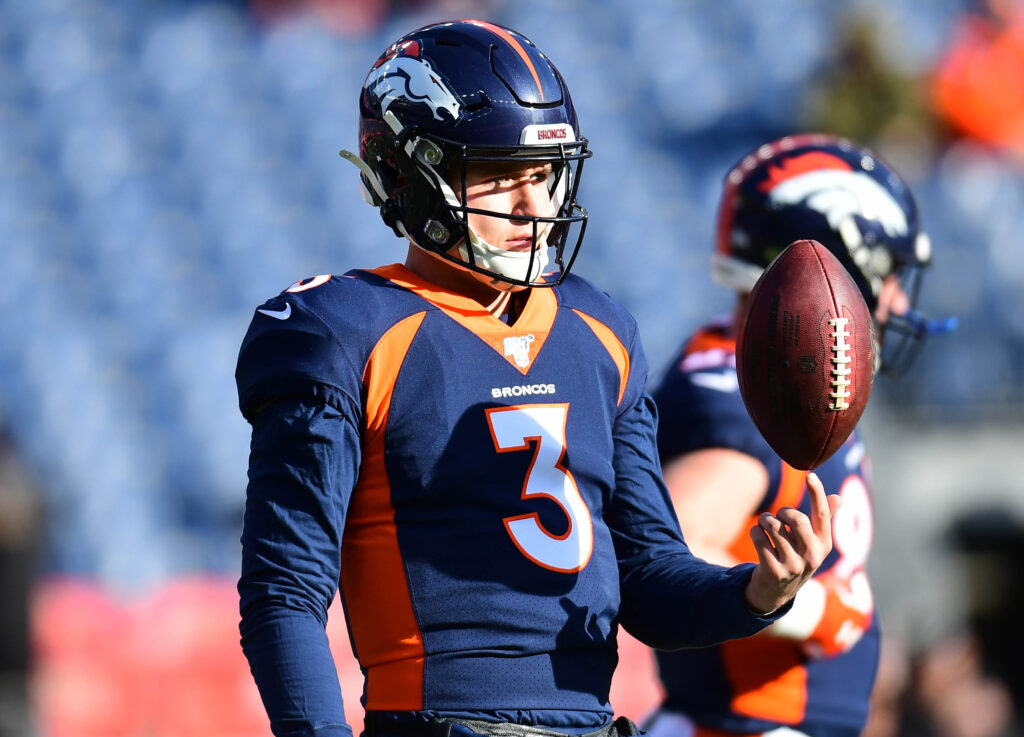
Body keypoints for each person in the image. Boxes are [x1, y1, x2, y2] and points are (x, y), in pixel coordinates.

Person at [234, 21, 838, 737]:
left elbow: (647, 578)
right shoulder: (345, 330)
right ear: (409, 173)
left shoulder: (599, 329)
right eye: (498, 171)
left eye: (544, 173)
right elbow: (285, 594)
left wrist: (758, 589)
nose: (532, 205)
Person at [643, 134, 950, 737]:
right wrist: (810, 610)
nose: (893, 297)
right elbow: (673, 548)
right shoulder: (743, 396)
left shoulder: (765, 376)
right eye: (884, 272)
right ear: (830, 265)